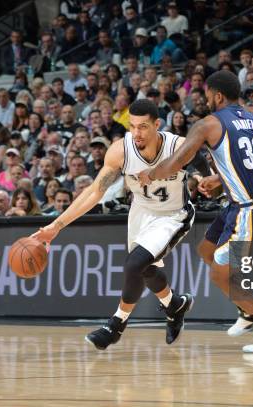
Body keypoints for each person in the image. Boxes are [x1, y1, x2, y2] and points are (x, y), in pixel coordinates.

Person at [137, 70, 253, 353]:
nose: (205, 98)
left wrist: (150, 174)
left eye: (207, 93)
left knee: (220, 276)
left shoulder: (208, 124)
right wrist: (221, 180)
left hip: (251, 210)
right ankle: (248, 308)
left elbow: (174, 163)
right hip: (250, 202)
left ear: (217, 95)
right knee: (206, 250)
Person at [31, 99, 195, 351]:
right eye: (132, 126)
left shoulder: (177, 145)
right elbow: (95, 191)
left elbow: (204, 166)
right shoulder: (120, 151)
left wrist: (207, 180)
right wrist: (57, 225)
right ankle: (174, 305)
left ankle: (116, 325)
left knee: (134, 263)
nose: (136, 133)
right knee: (144, 269)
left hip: (173, 213)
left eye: (143, 127)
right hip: (141, 211)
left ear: (157, 125)